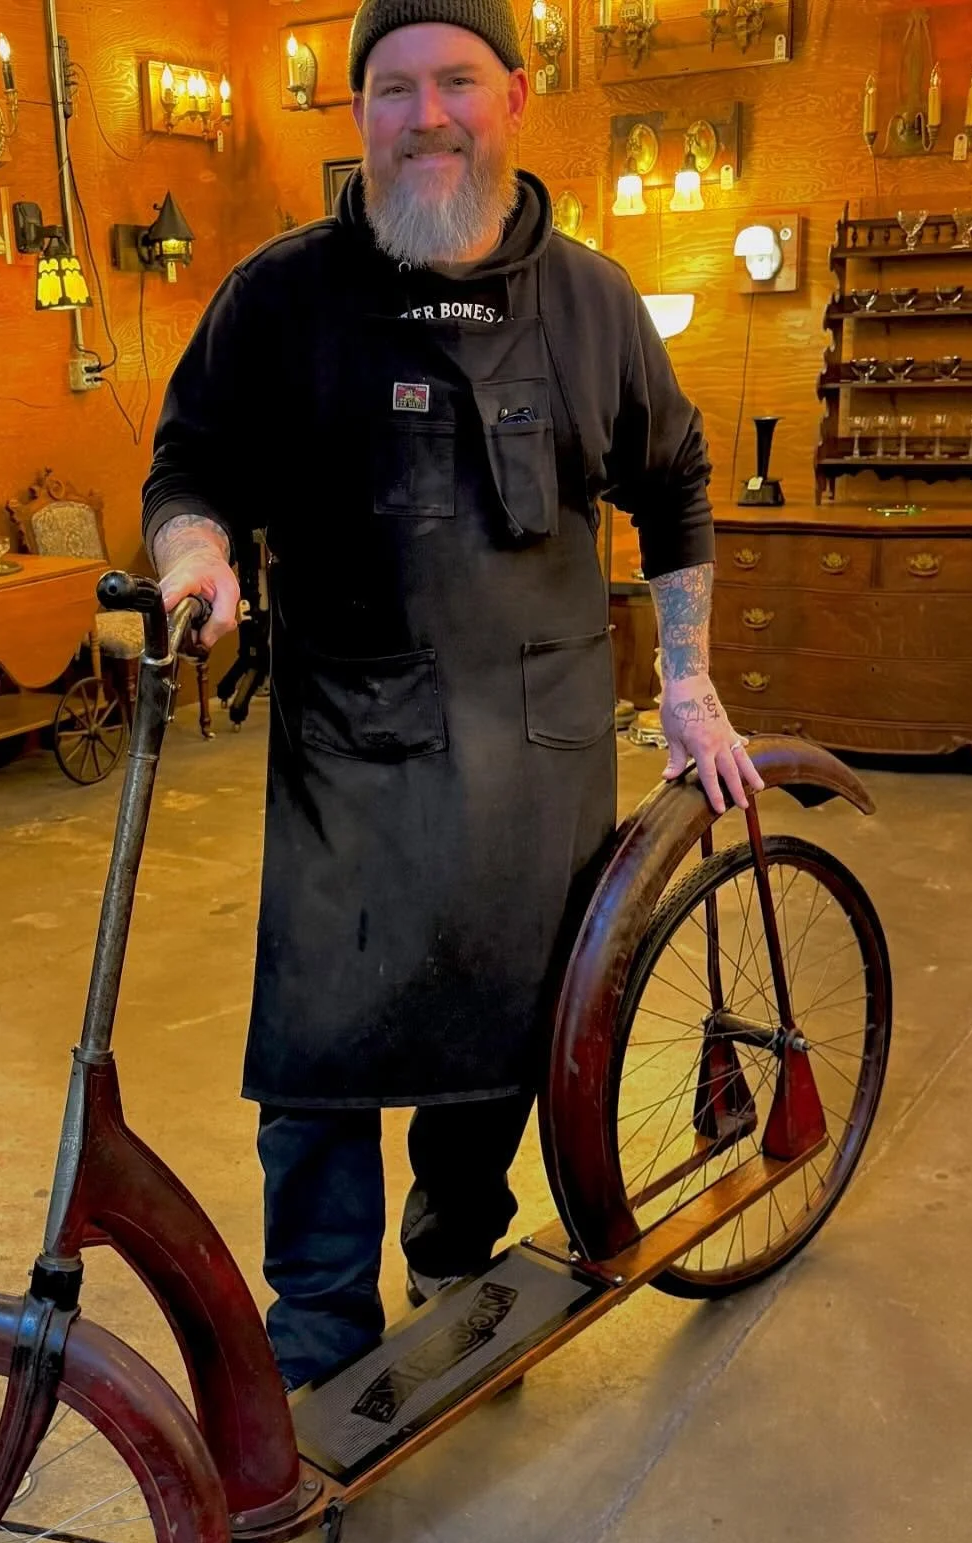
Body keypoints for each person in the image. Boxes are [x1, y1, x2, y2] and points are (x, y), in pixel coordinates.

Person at [140, 0, 764, 1391]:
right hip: (347, 755)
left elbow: (671, 487)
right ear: (358, 111)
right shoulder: (282, 298)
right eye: (393, 87)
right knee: (319, 1063)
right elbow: (191, 470)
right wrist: (197, 559)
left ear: (516, 95)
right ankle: (316, 1345)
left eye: (457, 82)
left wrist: (688, 682)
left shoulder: (595, 302)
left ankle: (456, 1256)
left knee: (500, 1042)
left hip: (538, 760)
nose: (426, 115)